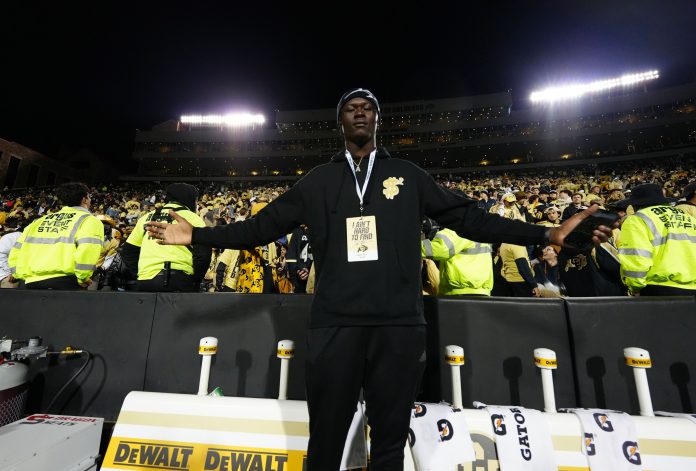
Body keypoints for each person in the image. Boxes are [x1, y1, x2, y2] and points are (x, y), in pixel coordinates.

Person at [144, 88, 613, 470]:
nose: (361, 113)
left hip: (398, 325)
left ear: (378, 120)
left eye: (368, 108)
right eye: (351, 108)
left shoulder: (407, 174)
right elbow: (260, 228)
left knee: (389, 442)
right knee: (325, 440)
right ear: (341, 122)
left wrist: (545, 232)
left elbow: (472, 219)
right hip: (335, 324)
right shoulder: (317, 181)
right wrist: (197, 236)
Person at [8, 182, 103, 290]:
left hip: (30, 282)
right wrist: (83, 277)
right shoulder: (89, 220)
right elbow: (87, 249)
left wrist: (16, 274)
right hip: (66, 282)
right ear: (85, 199)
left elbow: (16, 250)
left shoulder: (39, 221)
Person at [121, 183, 210, 292]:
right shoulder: (193, 218)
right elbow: (203, 255)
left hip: (145, 281)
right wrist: (195, 281)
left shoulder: (146, 218)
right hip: (179, 280)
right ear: (189, 198)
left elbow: (128, 252)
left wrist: (141, 273)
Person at [616, 183, 696, 296]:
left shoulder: (638, 219)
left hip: (659, 288)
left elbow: (637, 255)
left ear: (635, 204)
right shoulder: (688, 217)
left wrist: (635, 287)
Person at [421, 227, 493, 295]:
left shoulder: (458, 230)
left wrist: (414, 245)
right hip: (482, 290)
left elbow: (439, 249)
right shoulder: (479, 230)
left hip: (459, 290)